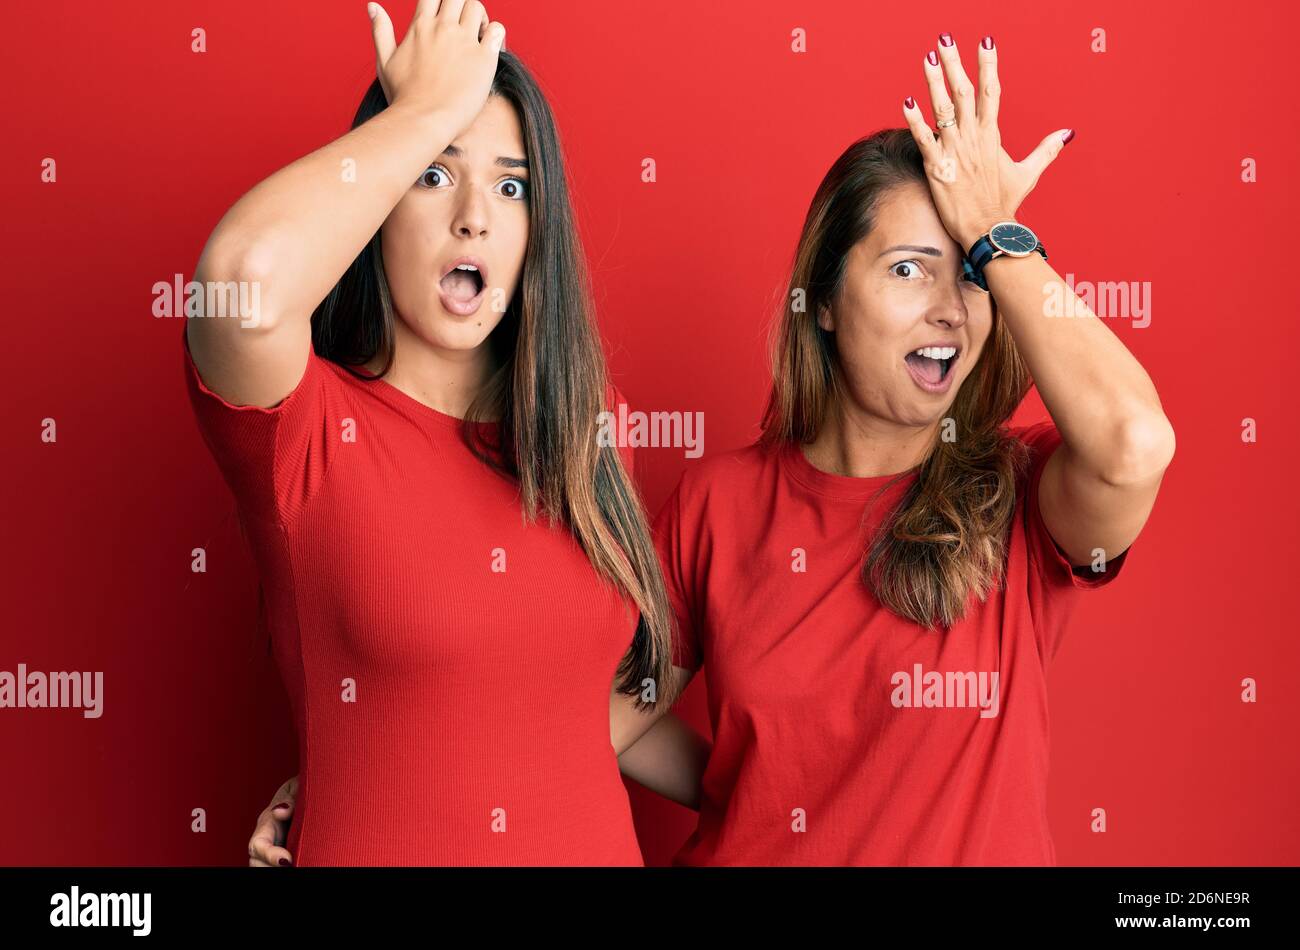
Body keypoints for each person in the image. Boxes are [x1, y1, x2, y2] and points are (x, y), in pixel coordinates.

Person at [249, 31, 1173, 867]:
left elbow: (1134, 442)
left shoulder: (1023, 499)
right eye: (906, 268)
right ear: (824, 301)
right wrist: (349, 776)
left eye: (966, 275)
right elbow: (580, 715)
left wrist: (998, 236)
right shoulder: (718, 507)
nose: (948, 304)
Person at [186, 0, 705, 866]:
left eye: (512, 186)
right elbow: (241, 281)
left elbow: (571, 717)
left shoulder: (575, 434)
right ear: (378, 204)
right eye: (433, 175)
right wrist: (419, 113)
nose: (476, 217)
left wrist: (808, 790)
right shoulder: (305, 434)